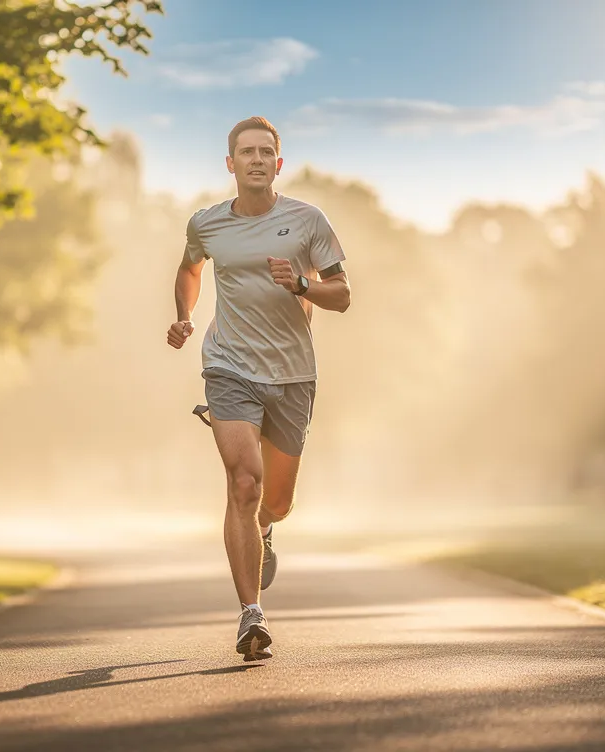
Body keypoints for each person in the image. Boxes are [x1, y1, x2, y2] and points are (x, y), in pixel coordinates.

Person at [166, 116, 351, 661]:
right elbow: (189, 270)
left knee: (277, 500)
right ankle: (251, 615)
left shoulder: (308, 221)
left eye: (264, 152)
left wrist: (299, 283)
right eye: (244, 152)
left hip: (293, 375)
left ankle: (267, 529)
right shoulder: (207, 223)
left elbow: (341, 294)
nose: (254, 160)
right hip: (229, 367)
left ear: (278, 163)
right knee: (243, 483)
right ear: (230, 163)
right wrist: (183, 316)